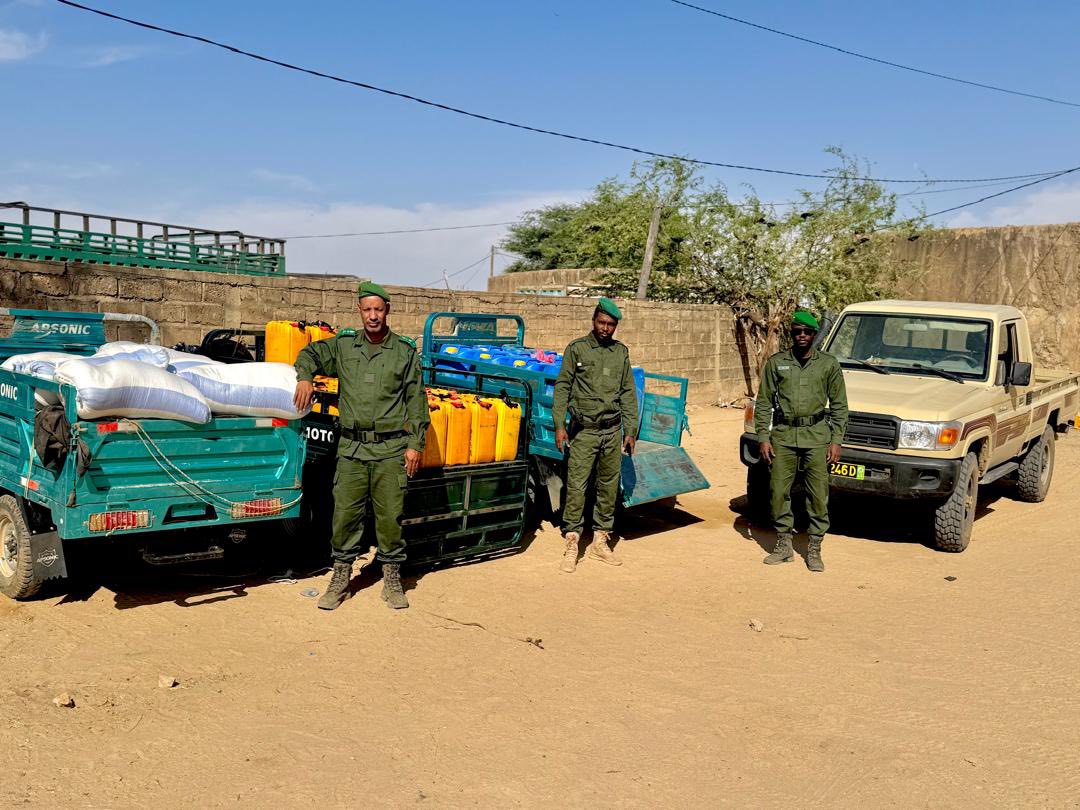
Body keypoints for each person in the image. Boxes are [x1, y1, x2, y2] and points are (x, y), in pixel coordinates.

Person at [293, 281, 429, 610]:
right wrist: (305, 377)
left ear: (387, 311)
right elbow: (309, 353)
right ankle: (341, 577)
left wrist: (415, 444)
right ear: (359, 310)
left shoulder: (404, 352)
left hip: (390, 449)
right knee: (345, 515)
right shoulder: (344, 346)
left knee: (390, 516)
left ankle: (392, 577)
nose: (373, 316)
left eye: (378, 309)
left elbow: (416, 401)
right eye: (367, 309)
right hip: (352, 449)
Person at [753, 310, 848, 572]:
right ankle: (784, 544)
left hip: (817, 437)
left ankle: (814, 548)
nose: (802, 336)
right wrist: (763, 437)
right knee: (777, 492)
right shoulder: (777, 363)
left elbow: (839, 405)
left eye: (807, 332)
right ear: (791, 334)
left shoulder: (828, 364)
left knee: (817, 495)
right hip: (783, 436)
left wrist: (836, 440)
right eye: (797, 332)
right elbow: (764, 403)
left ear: (815, 334)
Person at [552, 297, 638, 573]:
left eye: (611, 324)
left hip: (612, 431)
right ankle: (572, 541)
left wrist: (630, 430)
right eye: (602, 322)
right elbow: (563, 387)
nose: (605, 328)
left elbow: (628, 392)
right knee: (577, 486)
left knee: (608, 486)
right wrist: (559, 425)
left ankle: (600, 541)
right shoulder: (577, 349)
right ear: (593, 321)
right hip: (584, 432)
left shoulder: (620, 353)